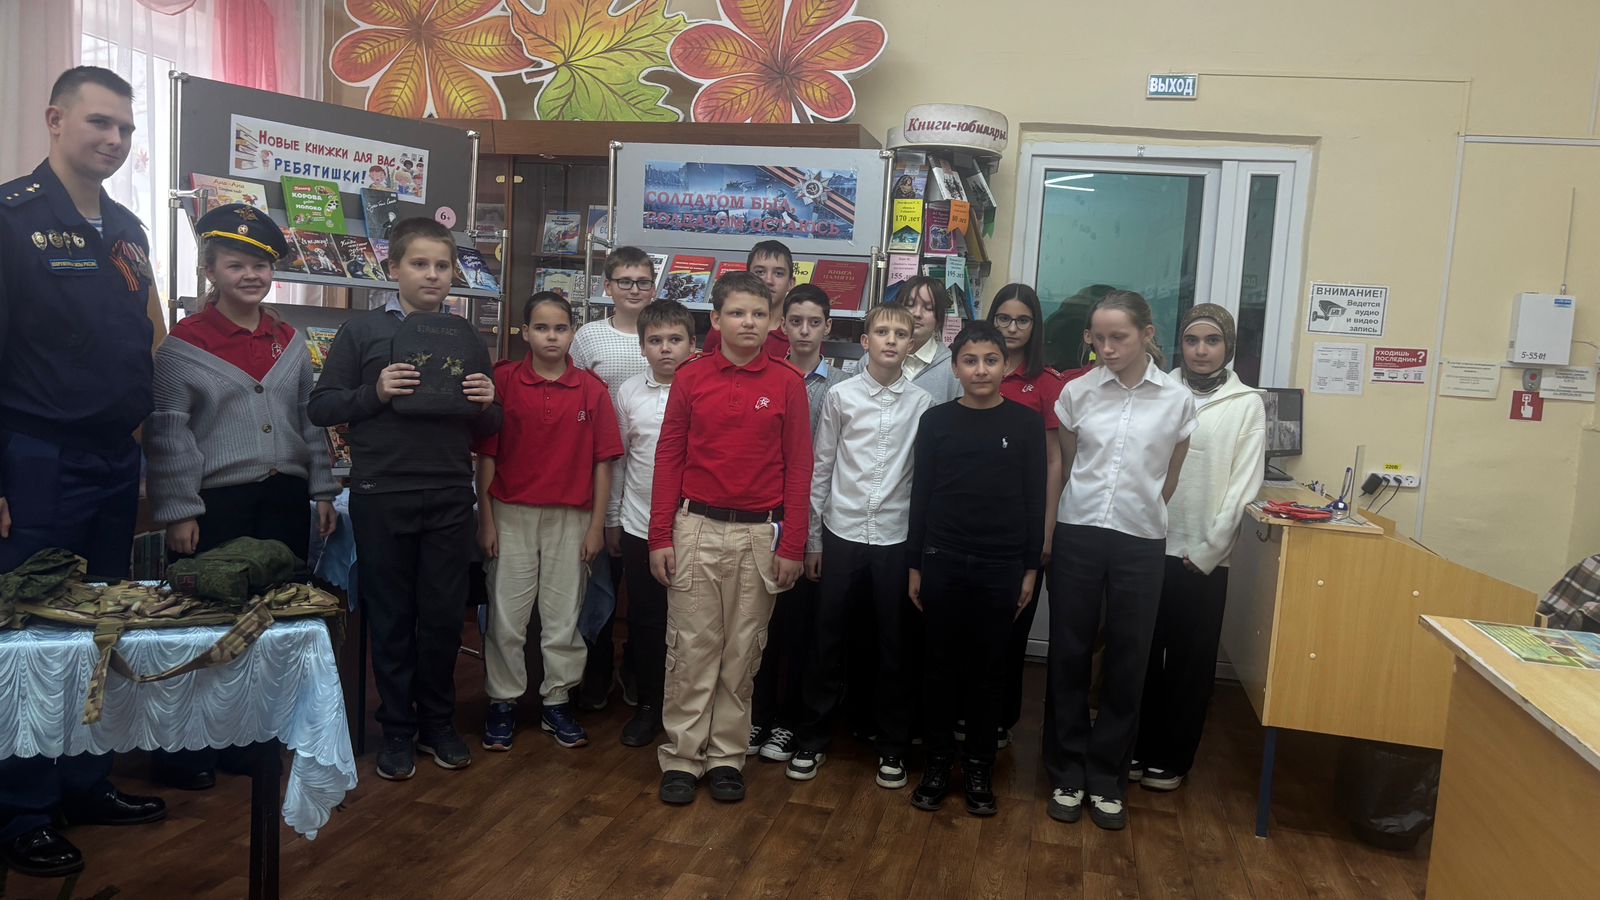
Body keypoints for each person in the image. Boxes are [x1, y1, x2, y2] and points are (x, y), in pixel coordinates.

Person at [0, 65, 169, 879]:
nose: (115, 139)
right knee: (34, 635)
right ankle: (22, 810)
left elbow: (144, 343)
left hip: (112, 456)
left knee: (101, 625)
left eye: (126, 128)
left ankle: (84, 780)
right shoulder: (12, 218)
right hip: (35, 453)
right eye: (100, 122)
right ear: (55, 119)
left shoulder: (129, 230)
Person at [144, 203, 339, 790]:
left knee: (268, 618)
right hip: (215, 504)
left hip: (283, 498)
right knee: (204, 620)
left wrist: (322, 489)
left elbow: (310, 421)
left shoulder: (289, 340)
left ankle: (248, 737)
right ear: (210, 271)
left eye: (261, 265)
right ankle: (184, 748)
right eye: (236, 265)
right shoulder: (183, 346)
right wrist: (179, 510)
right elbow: (169, 434)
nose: (251, 275)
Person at [308, 217, 502, 782]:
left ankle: (438, 723)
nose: (433, 275)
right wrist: (375, 392)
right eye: (420, 264)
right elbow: (323, 407)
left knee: (442, 618)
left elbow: (491, 424)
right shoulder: (362, 331)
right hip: (381, 491)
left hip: (448, 493)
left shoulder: (465, 337)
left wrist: (488, 402)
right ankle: (395, 728)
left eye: (442, 265)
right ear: (393, 268)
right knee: (391, 617)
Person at [649, 272, 812, 806]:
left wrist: (792, 544)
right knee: (691, 649)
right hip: (695, 527)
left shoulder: (787, 382)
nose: (749, 323)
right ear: (715, 320)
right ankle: (682, 756)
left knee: (743, 653)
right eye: (737, 313)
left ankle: (726, 756)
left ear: (772, 322)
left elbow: (800, 468)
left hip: (759, 535)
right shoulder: (692, 377)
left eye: (759, 314)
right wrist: (660, 535)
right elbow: (669, 456)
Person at [1043, 290, 1195, 831]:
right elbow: (1068, 462)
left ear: (1147, 334)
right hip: (1080, 532)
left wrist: (1141, 508)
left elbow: (1169, 476)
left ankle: (1107, 777)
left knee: (1129, 659)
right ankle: (1066, 771)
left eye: (1119, 337)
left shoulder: (1176, 399)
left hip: (1140, 538)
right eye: (1098, 337)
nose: (1106, 348)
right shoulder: (1077, 392)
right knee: (1070, 652)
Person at [787, 304, 931, 789]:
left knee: (894, 644)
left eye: (900, 334)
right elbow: (821, 466)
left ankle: (892, 746)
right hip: (841, 531)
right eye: (881, 332)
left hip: (894, 537)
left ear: (911, 344)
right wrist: (812, 540)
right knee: (826, 638)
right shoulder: (840, 395)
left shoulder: (923, 404)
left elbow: (922, 481)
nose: (891, 340)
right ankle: (812, 738)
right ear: (865, 341)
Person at [906, 322, 1046, 817]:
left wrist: (1029, 568)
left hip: (1001, 564)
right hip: (942, 558)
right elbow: (921, 495)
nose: (981, 369)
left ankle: (980, 765)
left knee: (990, 670)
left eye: (991, 360)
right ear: (955, 367)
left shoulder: (1026, 424)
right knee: (939, 667)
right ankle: (937, 762)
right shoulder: (936, 421)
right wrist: (915, 563)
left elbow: (1034, 500)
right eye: (970, 360)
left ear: (1006, 366)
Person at [480, 292, 621, 751]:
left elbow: (603, 463)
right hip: (511, 512)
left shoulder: (591, 389)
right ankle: (502, 701)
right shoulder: (504, 380)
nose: (551, 337)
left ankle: (557, 699)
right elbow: (487, 455)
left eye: (560, 328)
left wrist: (596, 526)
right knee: (507, 615)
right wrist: (486, 519)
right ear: (525, 333)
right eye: (541, 328)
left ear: (573, 333)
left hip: (572, 516)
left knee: (563, 616)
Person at [1132, 304, 1265, 792]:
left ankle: (1173, 757)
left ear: (1228, 347)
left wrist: (1210, 550)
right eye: (1192, 340)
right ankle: (1136, 746)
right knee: (1142, 654)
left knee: (1190, 663)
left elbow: (1243, 487)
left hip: (1202, 557)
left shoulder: (1246, 404)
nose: (1201, 350)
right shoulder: (1158, 390)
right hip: (1149, 544)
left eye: (1212, 341)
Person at [749, 283, 847, 762]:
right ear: (781, 325)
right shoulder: (768, 375)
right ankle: (758, 715)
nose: (804, 331)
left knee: (801, 629)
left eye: (814, 322)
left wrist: (812, 536)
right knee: (760, 625)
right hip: (768, 514)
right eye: (795, 321)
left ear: (828, 327)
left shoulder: (842, 385)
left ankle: (789, 721)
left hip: (814, 520)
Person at [985, 284, 1078, 750]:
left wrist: (1047, 526)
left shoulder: (1046, 382)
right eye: (1003, 318)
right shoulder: (977, 365)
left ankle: (1000, 719)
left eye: (1022, 320)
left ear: (1035, 326)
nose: (1012, 328)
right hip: (971, 518)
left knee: (1012, 627)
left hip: (1023, 520)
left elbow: (1055, 460)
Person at [569, 246, 658, 712]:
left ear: (654, 287)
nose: (634, 289)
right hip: (599, 477)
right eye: (625, 281)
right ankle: (597, 669)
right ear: (608, 287)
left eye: (643, 281)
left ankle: (638, 668)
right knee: (598, 582)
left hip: (650, 483)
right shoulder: (588, 338)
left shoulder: (666, 333)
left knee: (646, 592)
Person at [607, 300, 697, 747]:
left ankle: (689, 708)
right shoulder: (628, 392)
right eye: (655, 340)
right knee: (646, 619)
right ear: (642, 346)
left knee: (694, 623)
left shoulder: (705, 388)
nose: (666, 349)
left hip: (695, 526)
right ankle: (648, 704)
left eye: (675, 339)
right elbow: (620, 461)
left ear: (692, 344)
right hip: (640, 523)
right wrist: (613, 518)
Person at [850, 276, 961, 404]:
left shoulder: (952, 368)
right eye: (909, 305)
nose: (917, 314)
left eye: (929, 308)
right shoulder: (870, 360)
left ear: (939, 320)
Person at [701, 240, 794, 358]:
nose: (768, 281)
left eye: (779, 273)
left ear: (791, 283)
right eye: (760, 272)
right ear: (748, 276)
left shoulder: (798, 331)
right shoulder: (722, 329)